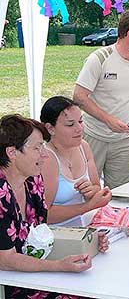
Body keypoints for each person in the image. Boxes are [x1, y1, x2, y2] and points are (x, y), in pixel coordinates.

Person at [0, 114, 109, 299]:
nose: (44, 154)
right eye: (37, 147)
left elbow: (40, 233)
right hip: (13, 281)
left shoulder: (32, 181)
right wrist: (59, 265)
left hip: (33, 273)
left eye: (43, 145)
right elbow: (6, 260)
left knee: (101, 285)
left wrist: (84, 242)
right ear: (12, 153)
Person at [73, 7, 129, 190]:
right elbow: (79, 96)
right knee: (87, 190)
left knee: (122, 192)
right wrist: (108, 120)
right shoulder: (99, 58)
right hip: (93, 137)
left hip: (124, 141)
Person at [40, 96, 112, 226]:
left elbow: (96, 187)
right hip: (56, 234)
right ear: (50, 128)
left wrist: (92, 191)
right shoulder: (46, 158)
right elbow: (44, 214)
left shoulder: (83, 146)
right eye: (70, 124)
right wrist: (88, 206)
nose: (79, 128)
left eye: (80, 121)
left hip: (85, 226)